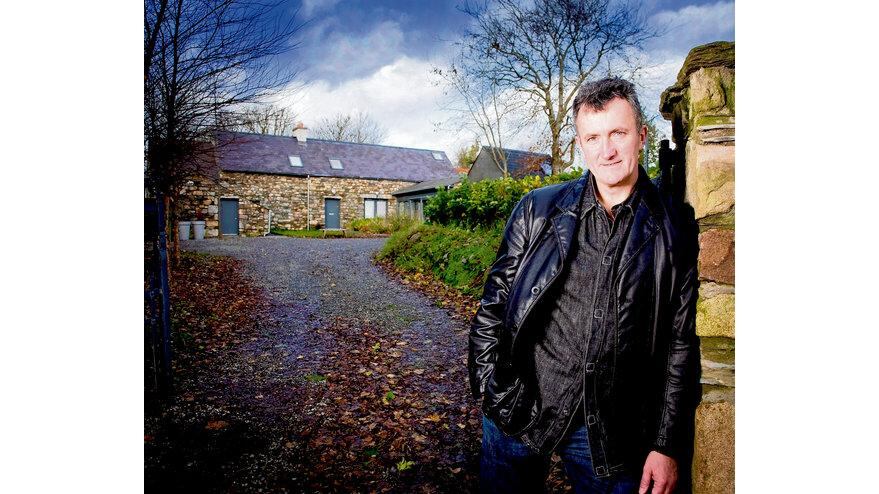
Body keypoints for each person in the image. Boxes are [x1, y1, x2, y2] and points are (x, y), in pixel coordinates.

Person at [469, 77, 701, 494]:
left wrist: (665, 444)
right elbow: (494, 303)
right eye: (593, 137)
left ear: (642, 136)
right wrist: (490, 387)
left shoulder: (675, 228)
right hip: (519, 406)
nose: (606, 150)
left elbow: (680, 343)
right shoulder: (537, 209)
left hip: (613, 431)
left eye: (618, 133)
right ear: (580, 143)